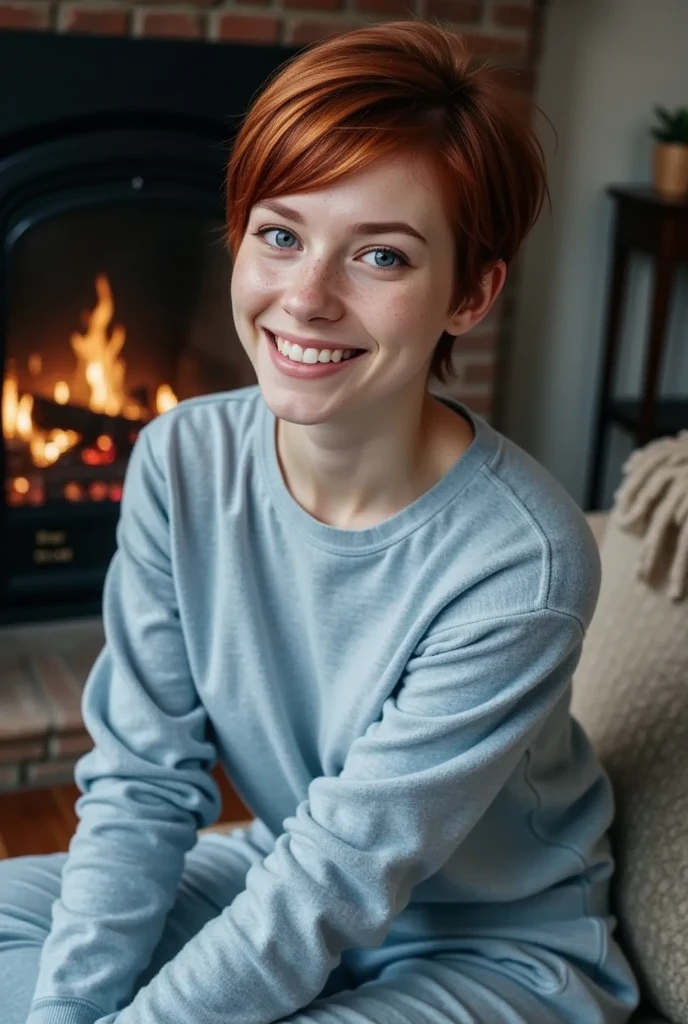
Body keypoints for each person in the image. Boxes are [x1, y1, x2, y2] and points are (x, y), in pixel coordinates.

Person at [0, 20, 639, 1024]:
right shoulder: (182, 458)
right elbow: (142, 781)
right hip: (275, 867)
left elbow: (335, 878)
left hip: (486, 951)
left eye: (380, 256)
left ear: (470, 293)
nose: (304, 299)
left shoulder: (523, 557)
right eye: (281, 234)